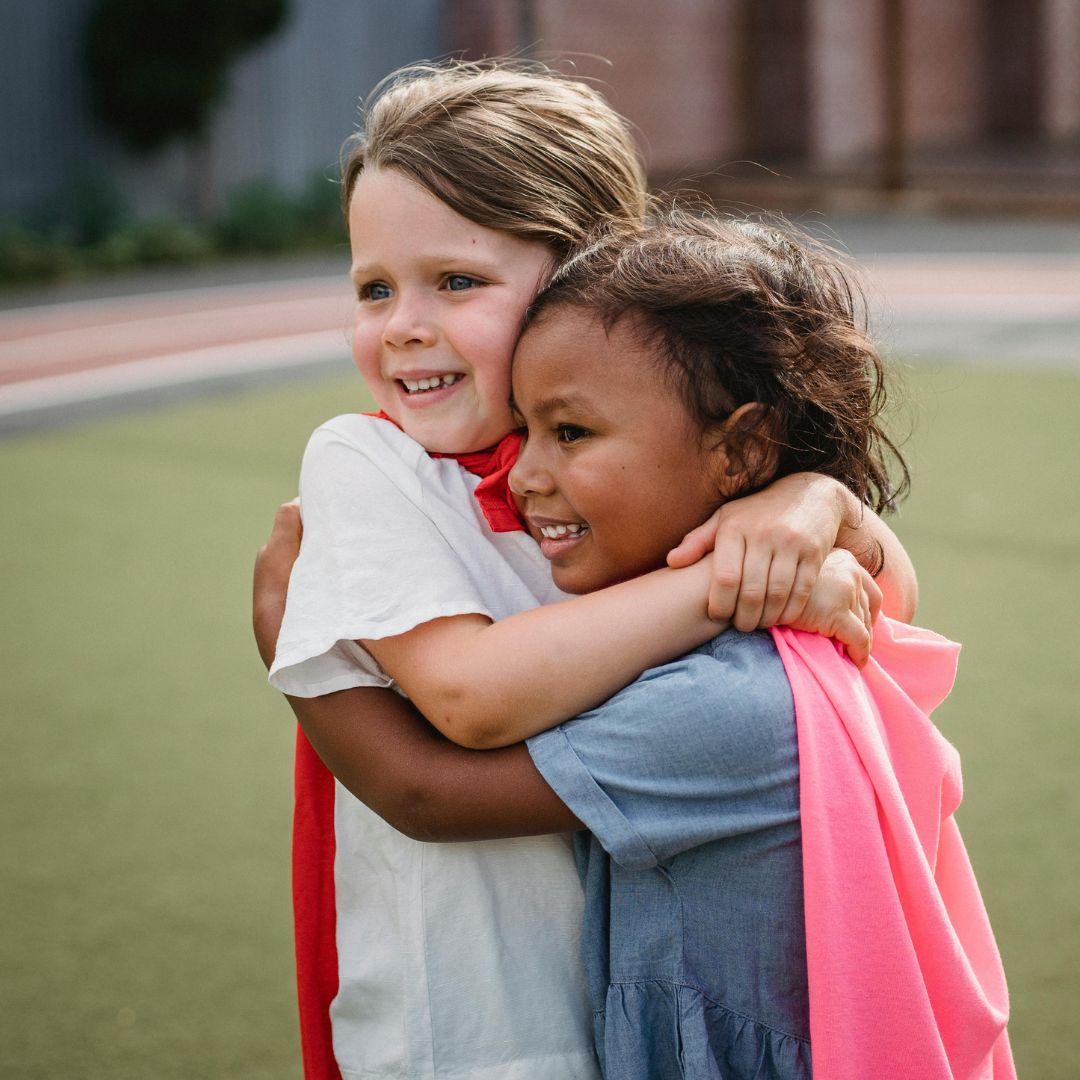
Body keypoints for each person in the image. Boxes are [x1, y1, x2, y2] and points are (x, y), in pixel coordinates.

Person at [262, 59, 917, 1080]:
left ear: (581, 279)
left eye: (457, 281)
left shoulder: (625, 456)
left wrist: (817, 503)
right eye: (374, 288)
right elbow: (468, 699)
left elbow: (879, 626)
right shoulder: (368, 463)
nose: (402, 326)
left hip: (634, 1015)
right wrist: (711, 584)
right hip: (472, 1025)